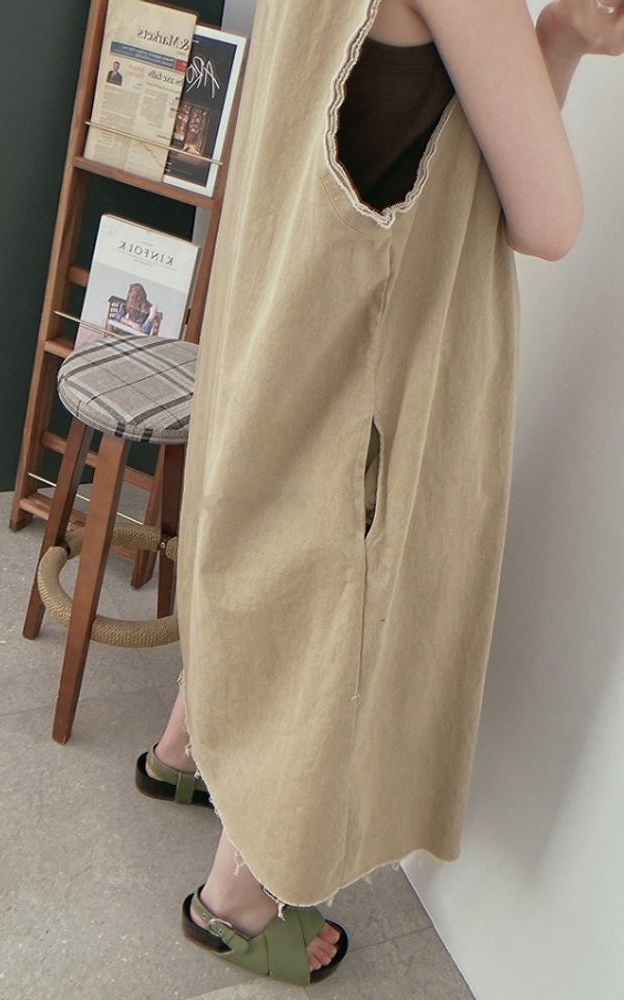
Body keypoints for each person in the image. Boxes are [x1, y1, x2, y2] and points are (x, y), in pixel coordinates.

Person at [134, 0, 622, 988]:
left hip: (280, 316)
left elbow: (430, 140)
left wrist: (559, 36)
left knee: (257, 538)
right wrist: (560, 42)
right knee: (331, 600)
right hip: (361, 360)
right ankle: (238, 898)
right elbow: (547, 220)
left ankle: (187, 743)